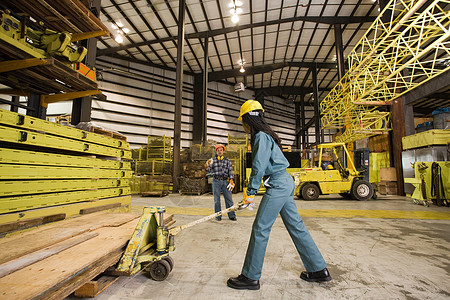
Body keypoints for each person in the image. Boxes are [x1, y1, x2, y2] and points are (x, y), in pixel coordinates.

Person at [227, 100, 331, 290]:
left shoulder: (260, 136)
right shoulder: (267, 135)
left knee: (260, 229)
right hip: (285, 181)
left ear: (247, 120)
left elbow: (258, 165)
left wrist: (250, 193)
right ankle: (318, 269)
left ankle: (250, 277)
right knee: (296, 226)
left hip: (278, 184)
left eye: (243, 120)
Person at [205, 144, 237, 221]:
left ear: (223, 151)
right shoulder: (213, 161)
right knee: (217, 200)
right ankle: (218, 216)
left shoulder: (228, 161)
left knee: (229, 199)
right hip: (216, 181)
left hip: (225, 182)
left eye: (221, 150)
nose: (219, 152)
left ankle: (231, 215)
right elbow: (207, 170)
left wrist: (231, 181)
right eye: (218, 150)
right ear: (216, 152)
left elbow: (230, 172)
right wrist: (206, 164)